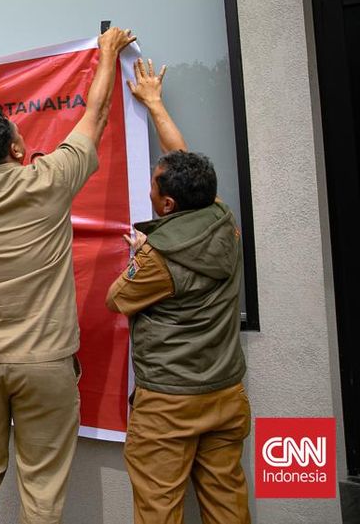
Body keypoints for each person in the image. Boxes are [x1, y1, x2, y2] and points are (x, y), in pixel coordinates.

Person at [0, 27, 136, 524]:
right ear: (18, 151)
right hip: (45, 362)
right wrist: (107, 53)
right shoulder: (49, 180)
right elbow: (95, 115)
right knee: (41, 485)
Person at [105, 58, 250, 524]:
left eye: (152, 186)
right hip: (225, 394)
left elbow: (116, 299)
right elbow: (182, 157)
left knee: (158, 509)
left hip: (169, 403)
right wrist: (154, 104)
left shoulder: (158, 257)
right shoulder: (222, 221)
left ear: (167, 204)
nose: (148, 189)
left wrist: (141, 255)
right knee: (227, 504)